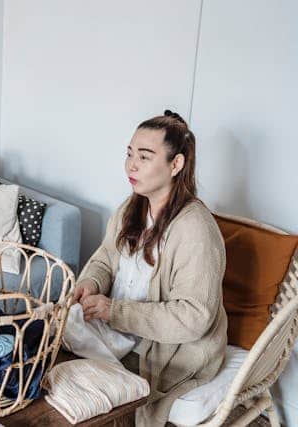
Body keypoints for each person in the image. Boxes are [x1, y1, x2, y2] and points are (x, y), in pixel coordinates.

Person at [70, 110, 227, 426]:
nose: (131, 165)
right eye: (129, 154)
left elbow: (194, 317)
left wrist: (114, 311)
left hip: (168, 349)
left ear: (176, 164)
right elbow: (104, 259)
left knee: (86, 387)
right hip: (120, 330)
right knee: (45, 337)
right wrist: (90, 284)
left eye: (144, 156)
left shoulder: (195, 230)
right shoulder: (132, 207)